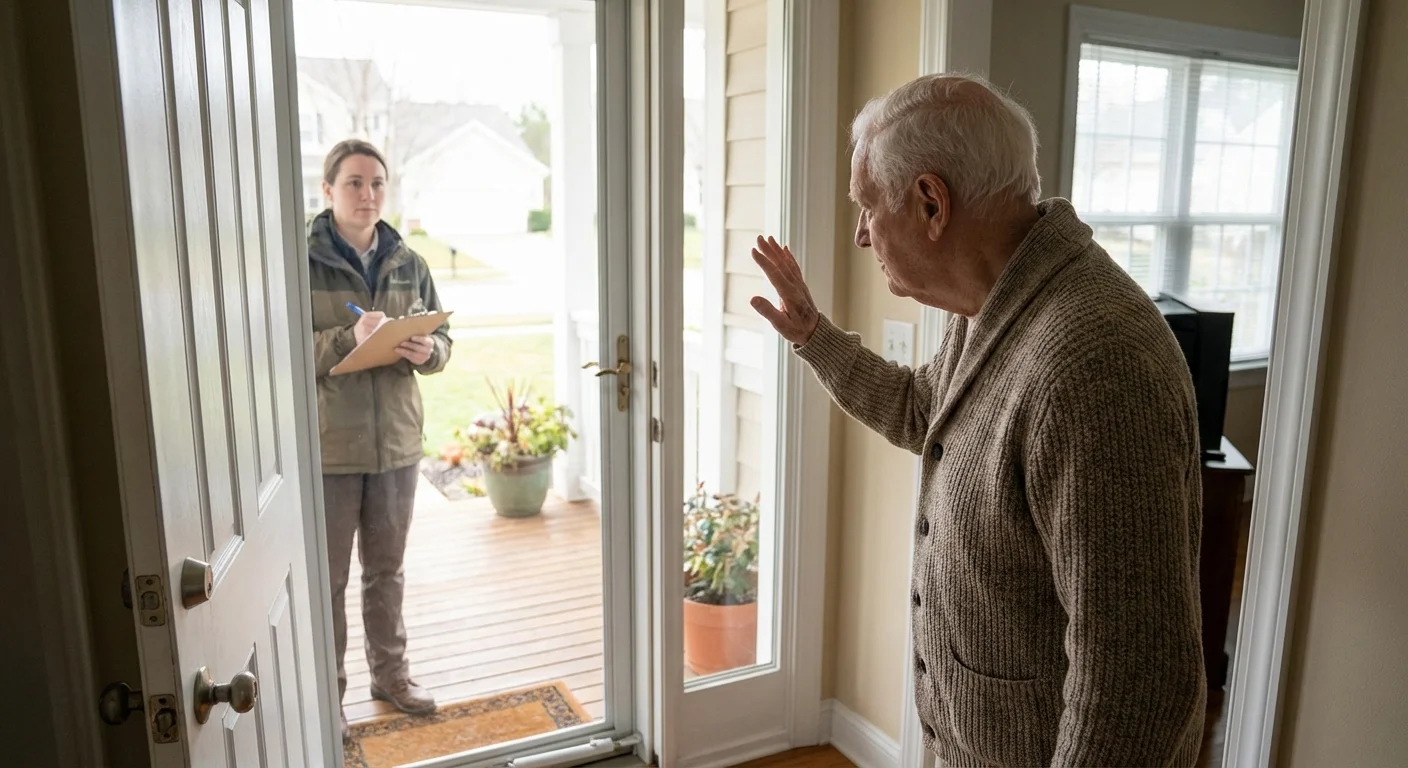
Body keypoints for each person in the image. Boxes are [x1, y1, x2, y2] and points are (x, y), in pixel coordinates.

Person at [750, 74, 1206, 766]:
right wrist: (815, 336)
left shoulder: (1095, 366)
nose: (862, 236)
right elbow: (924, 411)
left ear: (931, 203)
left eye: (868, 206)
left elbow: (1136, 679)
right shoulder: (994, 303)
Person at [308, 139, 452, 740]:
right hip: (331, 450)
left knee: (386, 571)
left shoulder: (409, 262)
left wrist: (428, 349)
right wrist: (350, 339)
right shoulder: (298, 262)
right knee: (329, 581)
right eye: (354, 183)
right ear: (328, 190)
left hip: (396, 445)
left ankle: (391, 676)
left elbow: (444, 344)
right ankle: (328, 699)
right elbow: (281, 352)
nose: (367, 195)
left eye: (376, 184)